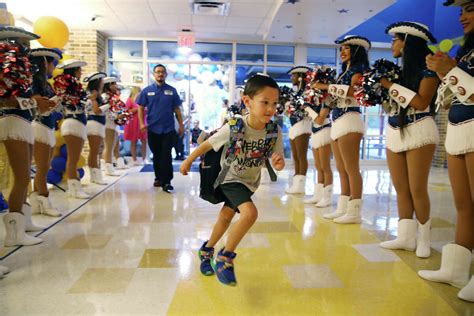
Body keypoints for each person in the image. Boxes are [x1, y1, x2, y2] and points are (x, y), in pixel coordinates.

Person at [180, 74, 285, 286]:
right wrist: (188, 160)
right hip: (230, 178)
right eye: (265, 102)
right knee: (250, 213)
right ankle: (225, 258)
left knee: (226, 218)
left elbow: (278, 161)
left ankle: (207, 250)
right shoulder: (236, 127)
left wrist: (278, 163)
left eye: (274, 104)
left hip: (249, 183)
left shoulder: (274, 131)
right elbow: (208, 144)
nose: (270, 109)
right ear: (247, 101)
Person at [419, 0, 474, 302]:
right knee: (462, 204)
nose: (463, 16)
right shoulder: (465, 51)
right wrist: (446, 72)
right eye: (461, 11)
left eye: (470, 9)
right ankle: (456, 269)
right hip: (458, 127)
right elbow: (455, 94)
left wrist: (451, 69)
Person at [378, 22, 440, 258]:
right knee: (400, 188)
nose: (393, 44)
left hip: (420, 128)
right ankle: (405, 236)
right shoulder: (400, 71)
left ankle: (424, 238)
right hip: (395, 129)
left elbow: (422, 101)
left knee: (417, 188)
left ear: (408, 41)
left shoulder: (428, 66)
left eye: (396, 39)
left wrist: (389, 85)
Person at [0, 26, 54, 249]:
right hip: (13, 123)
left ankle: (24, 222)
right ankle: (14, 233)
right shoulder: (7, 65)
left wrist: (39, 105)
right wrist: (34, 103)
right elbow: (5, 101)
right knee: (21, 177)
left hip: (22, 122)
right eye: (24, 43)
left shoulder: (20, 69)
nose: (27, 49)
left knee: (25, 175)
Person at [312, 35, 370, 224]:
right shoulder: (342, 73)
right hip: (337, 122)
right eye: (341, 49)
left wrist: (326, 86)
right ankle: (343, 207)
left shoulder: (360, 70)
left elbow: (355, 92)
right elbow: (332, 97)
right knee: (341, 168)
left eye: (347, 48)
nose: (342, 52)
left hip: (350, 119)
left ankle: (354, 212)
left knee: (352, 169)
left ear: (356, 50)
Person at [137, 64, 184, 192]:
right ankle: (158, 177)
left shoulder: (172, 91)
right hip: (153, 129)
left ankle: (167, 181)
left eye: (162, 72)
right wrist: (142, 123)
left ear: (166, 75)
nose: (160, 74)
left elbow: (177, 109)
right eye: (158, 72)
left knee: (166, 155)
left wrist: (181, 125)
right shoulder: (146, 91)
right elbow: (140, 108)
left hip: (168, 129)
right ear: (154, 74)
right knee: (157, 155)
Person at [29, 48, 63, 217]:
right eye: (52, 63)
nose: (53, 66)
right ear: (44, 63)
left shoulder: (46, 83)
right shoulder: (34, 82)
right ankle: (44, 198)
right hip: (40, 125)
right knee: (42, 167)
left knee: (44, 166)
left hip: (48, 125)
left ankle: (37, 202)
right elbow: (38, 106)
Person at [54, 59, 90, 199]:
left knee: (72, 158)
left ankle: (74, 188)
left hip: (74, 123)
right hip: (73, 123)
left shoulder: (72, 87)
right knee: (72, 159)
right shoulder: (70, 88)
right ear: (74, 71)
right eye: (79, 70)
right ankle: (74, 189)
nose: (81, 73)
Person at [285, 66, 312, 194]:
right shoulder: (296, 93)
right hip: (294, 125)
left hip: (303, 125)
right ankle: (296, 184)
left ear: (300, 77)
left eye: (294, 76)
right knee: (295, 156)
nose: (292, 78)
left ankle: (301, 186)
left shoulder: (307, 91)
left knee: (301, 156)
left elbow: (307, 108)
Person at [84, 72, 108, 185]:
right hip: (94, 123)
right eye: (102, 81)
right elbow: (96, 110)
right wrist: (107, 106)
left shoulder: (97, 93)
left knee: (95, 150)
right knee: (94, 151)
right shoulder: (93, 93)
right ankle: (95, 175)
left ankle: (94, 176)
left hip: (98, 123)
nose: (103, 83)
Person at [102, 76, 125, 175]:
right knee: (109, 146)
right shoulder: (105, 97)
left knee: (113, 145)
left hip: (113, 123)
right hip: (108, 123)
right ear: (109, 85)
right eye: (114, 84)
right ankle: (108, 168)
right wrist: (117, 116)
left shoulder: (112, 96)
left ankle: (110, 165)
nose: (116, 86)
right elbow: (105, 112)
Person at [124, 86, 147, 165]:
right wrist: (137, 109)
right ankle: (134, 160)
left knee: (144, 141)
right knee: (134, 141)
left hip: (142, 122)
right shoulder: (130, 100)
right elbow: (127, 111)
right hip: (133, 123)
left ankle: (144, 159)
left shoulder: (143, 100)